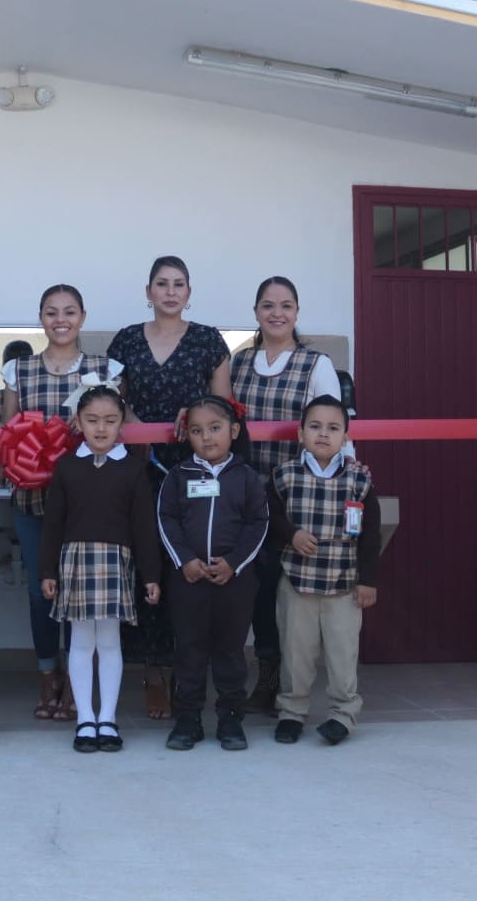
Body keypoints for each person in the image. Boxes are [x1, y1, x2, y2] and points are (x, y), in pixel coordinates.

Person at [106, 255, 232, 718]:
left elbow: (221, 402)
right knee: (145, 563)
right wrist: (135, 425)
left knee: (190, 562)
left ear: (189, 292)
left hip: (195, 470)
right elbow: (108, 397)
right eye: (162, 283)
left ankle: (187, 669)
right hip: (137, 468)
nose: (171, 291)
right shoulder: (125, 340)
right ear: (149, 290)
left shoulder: (207, 340)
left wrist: (198, 412)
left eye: (179, 284)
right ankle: (152, 672)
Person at [1, 284, 123, 722]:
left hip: (88, 499)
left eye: (70, 312)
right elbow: (8, 431)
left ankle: (77, 680)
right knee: (40, 591)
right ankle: (47, 672)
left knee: (81, 594)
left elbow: (120, 424)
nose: (61, 319)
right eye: (51, 312)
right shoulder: (19, 369)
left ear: (83, 317)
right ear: (40, 318)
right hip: (33, 497)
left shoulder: (105, 368)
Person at [229, 276, 345, 715]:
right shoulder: (238, 364)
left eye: (286, 305)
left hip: (296, 498)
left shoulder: (316, 364)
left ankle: (293, 687)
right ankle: (268, 676)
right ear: (256, 311)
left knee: (290, 593)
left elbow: (335, 430)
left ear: (297, 312)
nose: (277, 313)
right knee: (254, 590)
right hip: (244, 497)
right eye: (268, 305)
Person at [41, 387, 161, 753]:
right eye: (92, 420)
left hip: (115, 563)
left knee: (109, 642)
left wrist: (151, 575)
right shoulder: (67, 465)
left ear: (122, 424)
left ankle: (107, 718)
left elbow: (144, 526)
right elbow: (53, 523)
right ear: (78, 422)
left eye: (110, 421)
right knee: (80, 642)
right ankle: (85, 721)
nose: (101, 428)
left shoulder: (133, 468)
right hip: (75, 562)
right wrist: (48, 570)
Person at [266, 395, 382, 746]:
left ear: (346, 437)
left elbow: (371, 533)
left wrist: (368, 581)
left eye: (333, 428)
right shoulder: (284, 476)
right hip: (297, 584)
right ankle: (291, 712)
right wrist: (292, 534)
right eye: (314, 427)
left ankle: (342, 714)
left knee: (342, 654)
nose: (323, 434)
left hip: (344, 586)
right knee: (296, 653)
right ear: (300, 433)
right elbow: (268, 519)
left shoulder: (359, 480)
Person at [157, 395, 270, 751]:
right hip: (188, 581)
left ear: (234, 431)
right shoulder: (178, 476)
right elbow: (166, 519)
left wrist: (234, 563)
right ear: (186, 435)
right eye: (196, 430)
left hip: (234, 582)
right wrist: (185, 560)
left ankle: (230, 718)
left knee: (230, 651)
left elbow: (258, 524)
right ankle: (188, 718)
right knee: (189, 650)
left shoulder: (247, 478)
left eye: (215, 428)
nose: (206, 437)